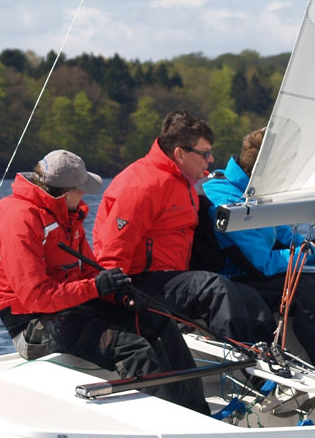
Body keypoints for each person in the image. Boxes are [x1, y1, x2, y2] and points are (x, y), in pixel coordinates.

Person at [0, 149, 209, 414]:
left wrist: (117, 293)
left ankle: (196, 414)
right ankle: (159, 423)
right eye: (81, 190)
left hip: (71, 308)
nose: (85, 196)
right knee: (132, 348)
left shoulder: (66, 214)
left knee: (158, 319)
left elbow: (89, 273)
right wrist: (95, 287)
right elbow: (36, 297)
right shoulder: (17, 217)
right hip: (32, 324)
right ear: (65, 193)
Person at [201, 127, 315, 389]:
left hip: (260, 272)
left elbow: (286, 238)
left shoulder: (258, 191)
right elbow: (260, 264)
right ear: (264, 170)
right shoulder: (223, 197)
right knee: (302, 288)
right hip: (236, 279)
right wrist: (309, 253)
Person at [92, 111, 274, 345]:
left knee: (248, 296)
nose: (210, 160)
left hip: (172, 279)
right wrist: (116, 298)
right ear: (180, 153)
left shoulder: (184, 182)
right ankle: (244, 363)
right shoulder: (139, 186)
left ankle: (269, 360)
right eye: (205, 153)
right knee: (214, 289)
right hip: (138, 284)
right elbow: (112, 254)